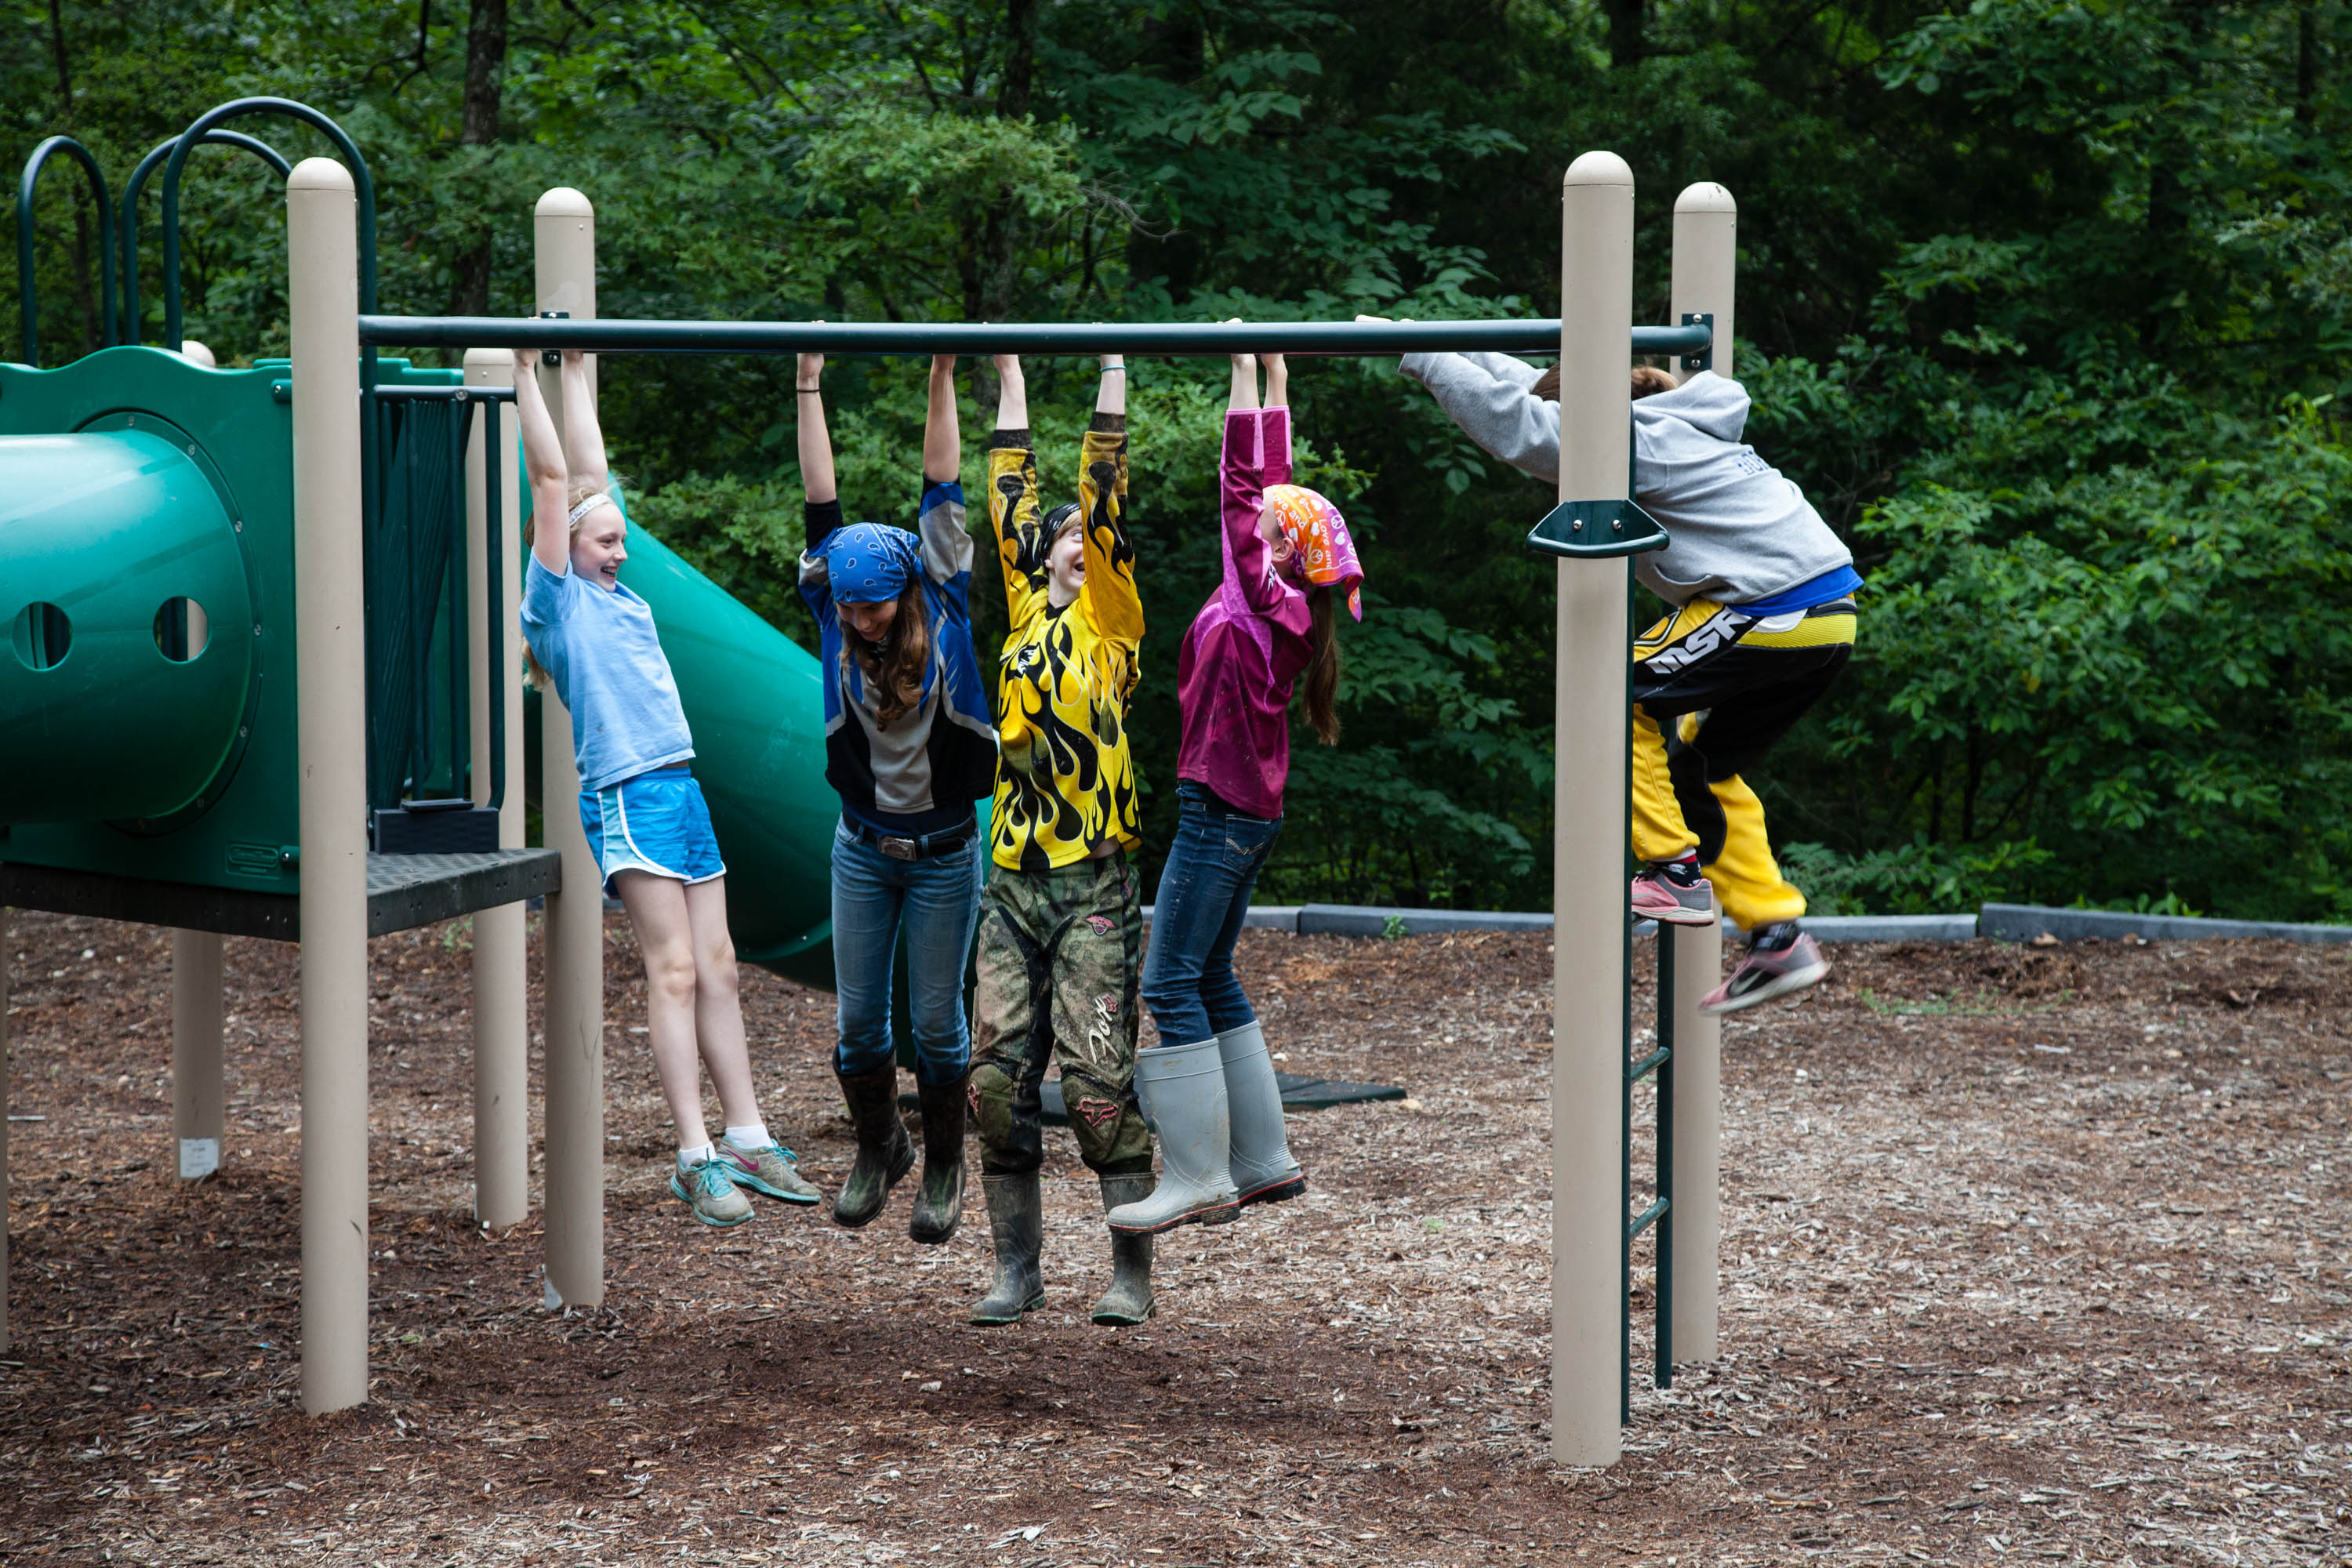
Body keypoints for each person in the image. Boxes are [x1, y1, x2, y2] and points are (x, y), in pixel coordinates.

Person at [1386, 334, 1852, 1012]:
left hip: (1772, 606)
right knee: (1702, 767)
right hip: (1828, 615)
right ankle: (1777, 934)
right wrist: (1427, 332)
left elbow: (1523, 429)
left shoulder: (1642, 443)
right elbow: (1533, 389)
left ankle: (1673, 870)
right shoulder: (1670, 424)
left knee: (1608, 695)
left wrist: (1425, 357)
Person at [514, 348, 820, 1225]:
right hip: (627, 792)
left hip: (681, 791)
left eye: (617, 538)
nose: (620, 549)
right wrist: (520, 374)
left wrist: (578, 369)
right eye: (605, 540)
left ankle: (750, 1134)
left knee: (721, 963)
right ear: (565, 548)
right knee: (675, 968)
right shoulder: (556, 604)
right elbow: (553, 478)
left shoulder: (615, 591)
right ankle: (694, 1154)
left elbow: (592, 479)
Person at [1107, 347, 1359, 1238]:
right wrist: (1273, 377)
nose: (1255, 529)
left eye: (1268, 531)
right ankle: (1262, 1161)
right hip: (1244, 813)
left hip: (1221, 815)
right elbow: (1269, 487)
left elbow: (1242, 488)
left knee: (1168, 982)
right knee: (1209, 971)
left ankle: (1199, 1173)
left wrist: (1241, 371)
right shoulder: (1284, 599)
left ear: (1279, 551)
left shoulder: (1259, 595)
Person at [966, 353, 1158, 1328]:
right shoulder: (1022, 611)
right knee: (994, 1086)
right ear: (1041, 554)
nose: (1083, 541)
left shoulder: (1111, 625)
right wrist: (1008, 371)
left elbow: (1103, 487)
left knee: (1093, 1085)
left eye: (1095, 540)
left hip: (1090, 880)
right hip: (1010, 877)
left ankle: (1131, 1271)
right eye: (1066, 538)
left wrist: (1112, 365)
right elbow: (1010, 485)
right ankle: (1019, 1270)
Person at [796, 351, 994, 1244]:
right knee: (857, 1026)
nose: (861, 621)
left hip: (947, 852)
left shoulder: (943, 599)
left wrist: (941, 374)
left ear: (903, 592)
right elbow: (821, 507)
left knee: (937, 1026)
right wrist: (808, 384)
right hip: (863, 848)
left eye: (873, 608)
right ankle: (882, 1146)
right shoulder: (834, 605)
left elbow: (941, 480)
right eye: (849, 610)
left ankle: (948, 1159)